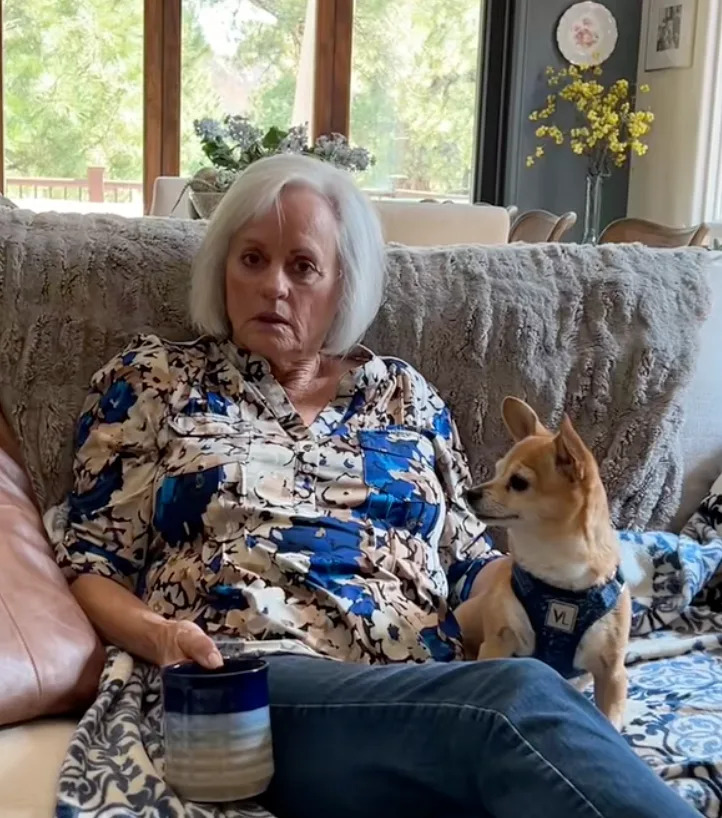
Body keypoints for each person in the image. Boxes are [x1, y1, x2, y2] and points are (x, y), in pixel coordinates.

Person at [55, 154, 699, 818]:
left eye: (302, 266)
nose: (273, 285)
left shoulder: (404, 396)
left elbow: (471, 563)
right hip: (248, 681)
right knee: (517, 700)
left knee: (524, 709)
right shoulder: (157, 380)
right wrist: (163, 638)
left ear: (343, 286)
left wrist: (567, 590)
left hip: (423, 689)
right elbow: (91, 563)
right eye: (251, 259)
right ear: (222, 268)